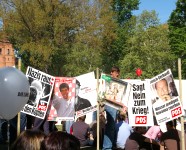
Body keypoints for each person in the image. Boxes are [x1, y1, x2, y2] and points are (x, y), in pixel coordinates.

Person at [102, 66, 120, 150]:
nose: (113, 73)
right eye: (112, 71)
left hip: (115, 104)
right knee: (110, 125)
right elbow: (103, 77)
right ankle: (107, 147)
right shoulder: (108, 79)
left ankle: (110, 145)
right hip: (109, 104)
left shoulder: (119, 82)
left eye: (115, 72)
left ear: (118, 73)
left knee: (112, 126)